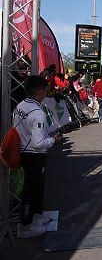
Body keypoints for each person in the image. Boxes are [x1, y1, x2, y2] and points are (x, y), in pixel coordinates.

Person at [12, 75, 62, 238]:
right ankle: (26, 225)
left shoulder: (21, 105)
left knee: (34, 189)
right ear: (40, 91)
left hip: (23, 151)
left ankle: (35, 217)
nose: (48, 92)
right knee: (32, 190)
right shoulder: (38, 113)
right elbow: (38, 143)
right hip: (33, 156)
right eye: (46, 89)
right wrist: (53, 140)